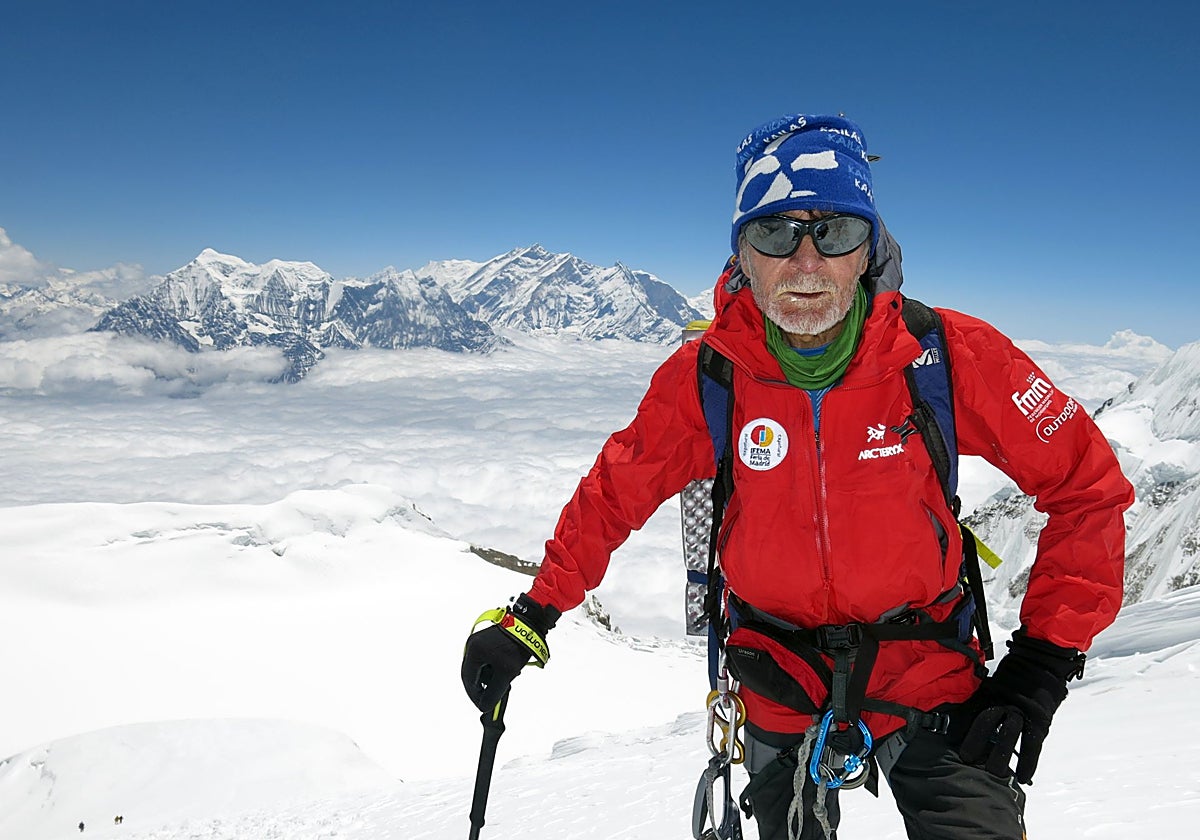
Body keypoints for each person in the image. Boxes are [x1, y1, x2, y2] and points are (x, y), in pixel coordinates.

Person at [461, 113, 1134, 839]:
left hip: (925, 664)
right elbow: (615, 493)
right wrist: (534, 613)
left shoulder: (943, 355)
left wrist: (1041, 664)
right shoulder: (710, 376)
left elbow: (1086, 488)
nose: (806, 262)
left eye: (835, 232)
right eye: (775, 233)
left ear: (868, 249)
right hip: (775, 669)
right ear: (742, 254)